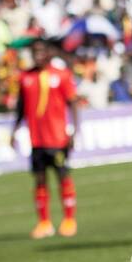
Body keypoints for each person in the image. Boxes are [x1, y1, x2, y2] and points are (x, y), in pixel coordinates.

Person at [13, 38, 81, 238]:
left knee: (62, 176)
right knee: (40, 179)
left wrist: (74, 131)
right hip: (37, 139)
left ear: (49, 52)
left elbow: (73, 103)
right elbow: (21, 108)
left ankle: (69, 219)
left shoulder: (61, 75)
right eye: (34, 51)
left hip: (58, 138)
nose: (38, 54)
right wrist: (14, 130)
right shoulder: (25, 77)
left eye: (41, 50)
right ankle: (44, 222)